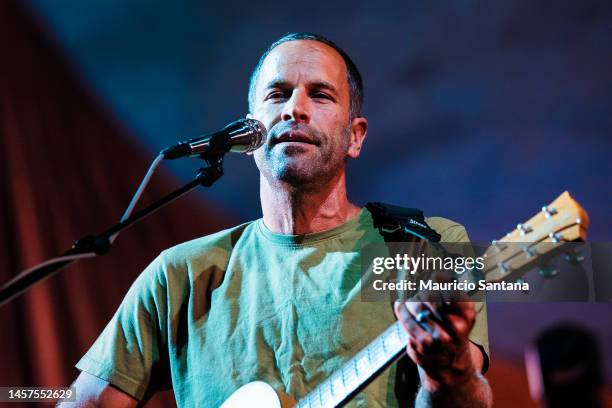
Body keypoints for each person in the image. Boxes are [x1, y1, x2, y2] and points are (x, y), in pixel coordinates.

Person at [60, 32, 492, 407]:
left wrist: (447, 368)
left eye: (320, 95)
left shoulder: (429, 244)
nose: (294, 109)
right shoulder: (180, 275)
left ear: (355, 136)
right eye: (277, 94)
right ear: (249, 131)